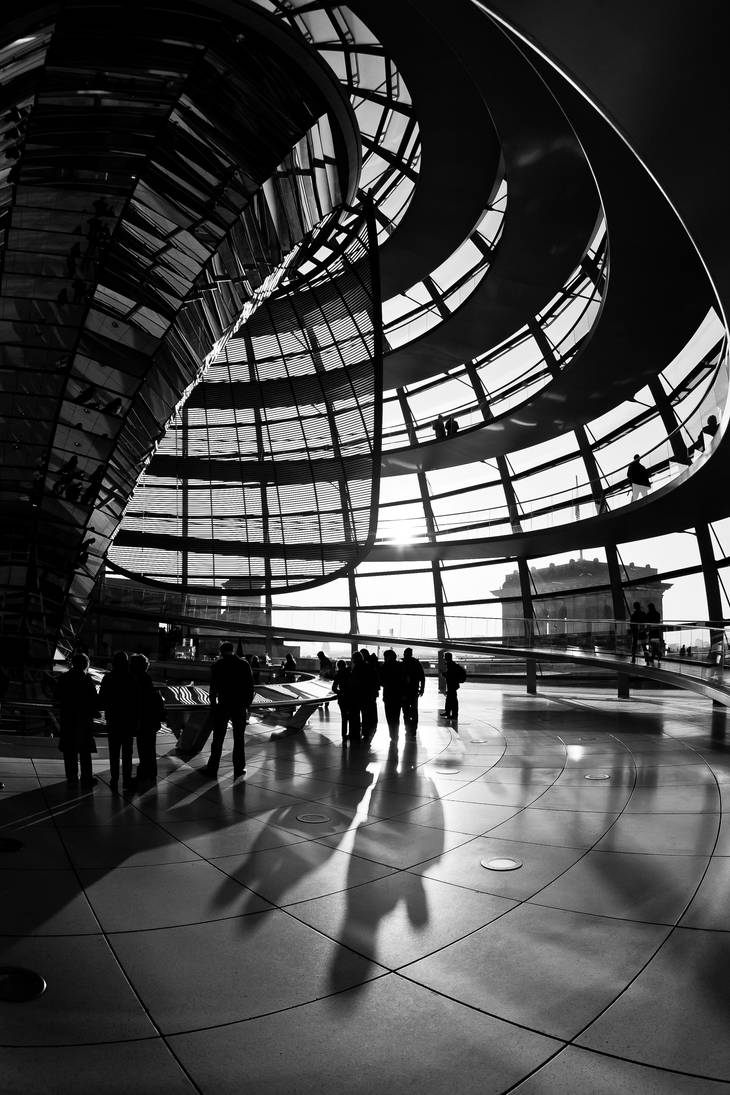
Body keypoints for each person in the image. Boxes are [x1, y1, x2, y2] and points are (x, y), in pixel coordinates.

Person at [206, 640, 254, 778]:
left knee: (218, 738)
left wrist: (213, 703)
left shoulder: (218, 665)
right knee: (239, 738)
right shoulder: (244, 664)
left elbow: (213, 686)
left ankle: (212, 768)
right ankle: (239, 768)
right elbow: (250, 686)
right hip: (239, 706)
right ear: (232, 650)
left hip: (223, 704)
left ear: (221, 652)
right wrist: (247, 704)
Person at [54, 652, 99, 788]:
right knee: (85, 751)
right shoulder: (87, 680)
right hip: (84, 720)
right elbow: (93, 700)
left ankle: (72, 777)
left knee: (70, 751)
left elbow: (57, 696)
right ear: (85, 664)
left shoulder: (64, 678)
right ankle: (86, 777)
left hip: (68, 718)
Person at [99, 651, 135, 791]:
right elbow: (135, 700)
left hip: (113, 718)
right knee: (127, 752)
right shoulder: (131, 678)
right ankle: (127, 779)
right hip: (127, 719)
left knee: (114, 751)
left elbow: (102, 699)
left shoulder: (108, 678)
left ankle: (114, 779)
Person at [129, 653, 163, 785]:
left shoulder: (136, 681)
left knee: (143, 748)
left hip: (142, 720)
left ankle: (143, 773)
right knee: (150, 748)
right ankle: (151, 773)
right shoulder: (147, 680)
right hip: (151, 720)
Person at [379, 649, 404, 741]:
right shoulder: (400, 666)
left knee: (389, 716)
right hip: (397, 695)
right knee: (396, 717)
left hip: (388, 695)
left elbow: (381, 680)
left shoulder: (384, 667)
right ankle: (395, 734)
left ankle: (392, 734)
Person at [401, 648, 425, 739]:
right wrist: (422, 689)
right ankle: (413, 729)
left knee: (406, 711)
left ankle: (408, 729)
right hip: (414, 691)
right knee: (414, 710)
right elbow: (422, 678)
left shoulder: (402, 664)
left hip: (404, 692)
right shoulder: (417, 664)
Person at [332, 659, 353, 744]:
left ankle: (344, 734)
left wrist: (340, 692)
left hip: (342, 698)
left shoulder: (338, 675)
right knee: (351, 716)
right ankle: (351, 733)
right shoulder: (350, 673)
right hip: (350, 697)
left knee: (344, 717)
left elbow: (334, 687)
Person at [441, 651, 465, 721]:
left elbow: (450, 675)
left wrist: (444, 674)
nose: (443, 658)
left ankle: (454, 714)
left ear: (447, 657)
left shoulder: (451, 665)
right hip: (453, 685)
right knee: (450, 699)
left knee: (453, 700)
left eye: (444, 657)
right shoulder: (451, 664)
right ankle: (448, 712)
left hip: (452, 685)